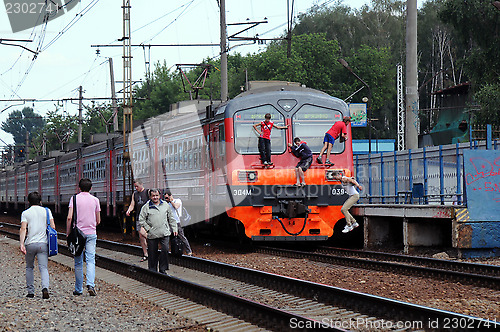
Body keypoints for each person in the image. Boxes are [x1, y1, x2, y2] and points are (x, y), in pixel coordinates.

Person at [66, 178, 101, 296]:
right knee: (91, 260)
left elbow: (69, 217)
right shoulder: (95, 200)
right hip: (91, 233)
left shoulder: (74, 198)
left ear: (79, 188)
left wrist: (68, 232)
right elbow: (98, 220)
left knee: (78, 262)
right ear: (91, 188)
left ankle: (78, 289)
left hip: (77, 234)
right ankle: (90, 284)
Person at [19, 192, 56, 299]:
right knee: (43, 268)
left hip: (30, 244)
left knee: (29, 267)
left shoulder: (25, 213)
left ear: (29, 201)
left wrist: (22, 243)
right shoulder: (47, 211)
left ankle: (30, 292)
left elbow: (23, 229)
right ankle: (45, 288)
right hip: (43, 244)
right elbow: (53, 226)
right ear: (40, 201)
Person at [138, 189, 178, 273]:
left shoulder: (165, 205)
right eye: (153, 196)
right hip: (152, 234)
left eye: (157, 195)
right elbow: (141, 219)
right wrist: (148, 228)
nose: (155, 197)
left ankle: (163, 269)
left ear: (160, 196)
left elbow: (171, 218)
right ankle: (152, 270)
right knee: (152, 252)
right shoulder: (146, 207)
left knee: (165, 249)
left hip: (164, 232)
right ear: (150, 197)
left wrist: (174, 228)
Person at [126, 180, 149, 262]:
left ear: (142, 184)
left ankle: (153, 244)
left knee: (144, 233)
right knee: (141, 236)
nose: (136, 188)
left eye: (137, 186)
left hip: (147, 217)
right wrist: (129, 210)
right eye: (135, 186)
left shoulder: (147, 192)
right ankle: (145, 253)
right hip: (139, 217)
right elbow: (132, 204)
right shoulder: (135, 194)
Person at [164, 189, 193, 256]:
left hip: (177, 222)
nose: (166, 199)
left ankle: (189, 251)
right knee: (167, 236)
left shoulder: (177, 200)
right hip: (169, 222)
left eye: (167, 197)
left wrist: (171, 201)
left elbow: (176, 206)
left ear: (170, 196)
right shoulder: (166, 203)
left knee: (181, 236)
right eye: (165, 198)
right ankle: (170, 250)